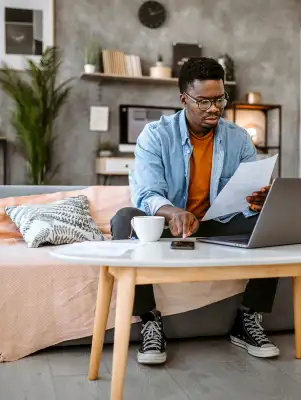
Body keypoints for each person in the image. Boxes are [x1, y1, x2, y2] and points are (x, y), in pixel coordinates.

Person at [110, 57, 279, 365]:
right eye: (203, 102)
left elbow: (250, 190)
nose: (214, 108)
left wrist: (259, 200)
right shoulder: (155, 135)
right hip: (171, 225)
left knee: (270, 224)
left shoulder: (239, 138)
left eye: (219, 100)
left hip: (215, 224)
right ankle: (149, 320)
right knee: (124, 220)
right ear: (183, 99)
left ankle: (247, 319)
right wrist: (173, 213)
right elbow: (148, 193)